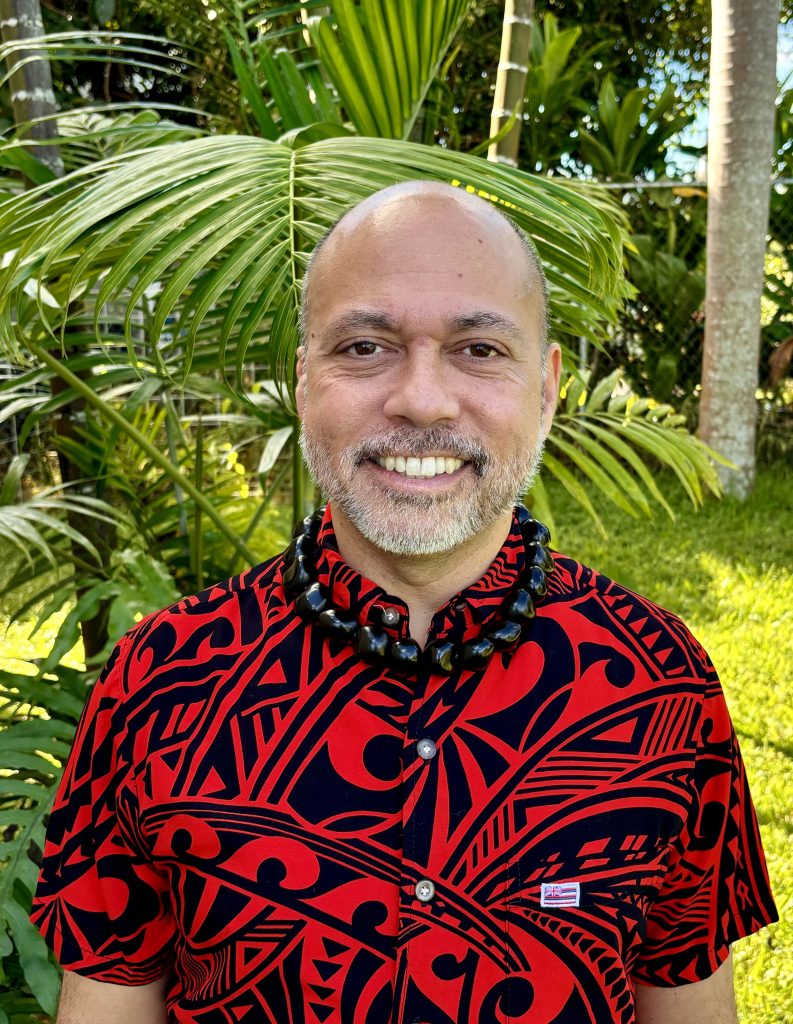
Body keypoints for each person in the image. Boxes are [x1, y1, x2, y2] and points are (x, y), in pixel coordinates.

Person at [31, 181, 777, 1024]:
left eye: (479, 349)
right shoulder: (160, 679)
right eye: (364, 347)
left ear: (546, 389)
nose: (421, 398)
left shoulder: (658, 682)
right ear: (303, 379)